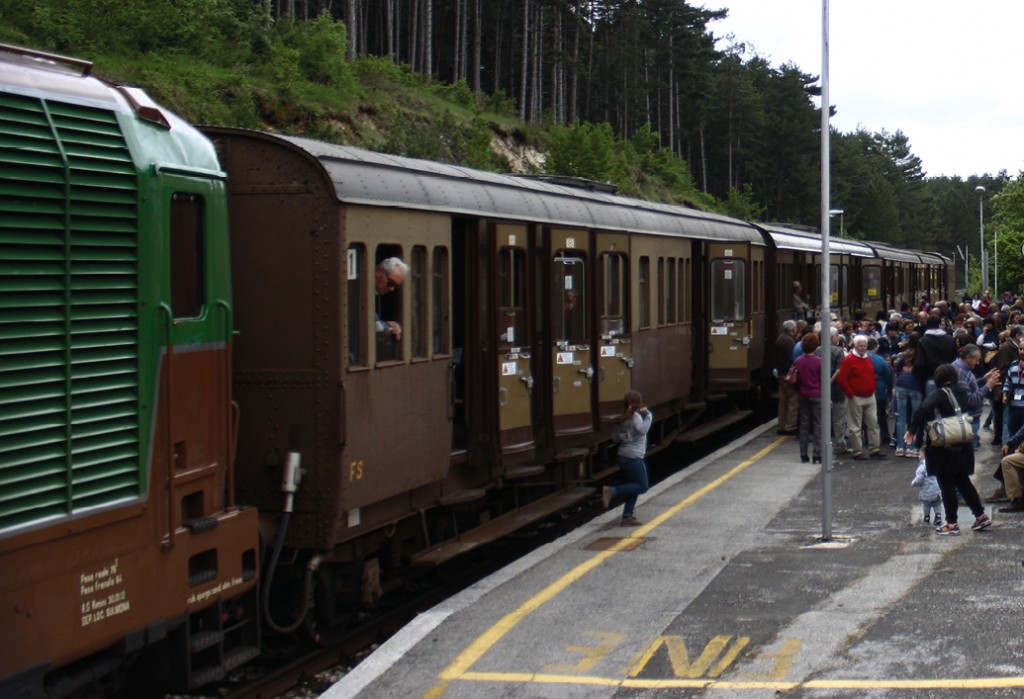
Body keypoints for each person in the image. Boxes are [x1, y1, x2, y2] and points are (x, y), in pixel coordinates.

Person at [905, 364, 992, 536]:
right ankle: (980, 515)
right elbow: (975, 399)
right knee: (963, 481)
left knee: (947, 484)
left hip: (943, 446)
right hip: (963, 443)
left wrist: (912, 430)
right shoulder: (961, 393)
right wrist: (984, 382)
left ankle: (951, 523)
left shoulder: (937, 395)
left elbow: (923, 410)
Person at [602, 390, 653, 526]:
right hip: (633, 457)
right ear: (638, 404)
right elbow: (643, 430)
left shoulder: (622, 418)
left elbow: (614, 438)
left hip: (623, 456)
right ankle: (611, 491)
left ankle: (626, 516)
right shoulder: (636, 417)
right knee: (642, 486)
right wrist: (648, 415)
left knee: (634, 485)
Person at [837, 335, 882, 460]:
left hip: (869, 395)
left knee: (873, 423)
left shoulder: (867, 359)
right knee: (855, 426)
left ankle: (875, 448)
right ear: (855, 346)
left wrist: (873, 389)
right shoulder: (849, 360)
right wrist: (851, 394)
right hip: (855, 397)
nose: (863, 348)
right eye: (860, 346)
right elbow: (842, 380)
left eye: (865, 346)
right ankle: (857, 451)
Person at [793, 332, 822, 463]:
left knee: (804, 425)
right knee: (818, 425)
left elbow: (796, 379)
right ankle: (817, 454)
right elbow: (823, 380)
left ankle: (803, 454)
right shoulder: (819, 362)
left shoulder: (798, 361)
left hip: (803, 394)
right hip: (816, 395)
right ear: (816, 346)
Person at [913, 315, 957, 396]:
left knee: (932, 405)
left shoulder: (923, 341)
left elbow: (920, 363)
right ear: (939, 324)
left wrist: (917, 374)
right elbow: (955, 358)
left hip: (931, 377)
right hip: (948, 377)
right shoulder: (950, 339)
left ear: (927, 324)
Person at [867, 338, 894, 450]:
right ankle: (884, 436)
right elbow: (888, 374)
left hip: (864, 389)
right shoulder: (879, 359)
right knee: (881, 414)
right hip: (879, 389)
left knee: (865, 416)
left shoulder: (862, 358)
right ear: (874, 347)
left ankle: (866, 437)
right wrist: (889, 388)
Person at [775, 320, 799, 435]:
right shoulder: (790, 341)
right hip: (788, 374)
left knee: (783, 401)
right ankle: (790, 426)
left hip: (780, 373)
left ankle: (781, 425)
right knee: (793, 400)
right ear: (792, 329)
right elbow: (791, 358)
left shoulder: (780, 338)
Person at [374, 257, 408, 341]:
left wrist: (388, 324)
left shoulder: (375, 293)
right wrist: (387, 326)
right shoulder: (358, 290)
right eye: (391, 283)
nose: (392, 289)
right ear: (379, 272)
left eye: (395, 286)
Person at [911, 458, 943, 525]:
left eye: (920, 454)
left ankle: (927, 518)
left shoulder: (923, 465)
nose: (918, 456)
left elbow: (919, 479)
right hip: (938, 490)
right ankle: (938, 517)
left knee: (926, 505)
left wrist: (914, 483)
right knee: (937, 504)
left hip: (926, 490)